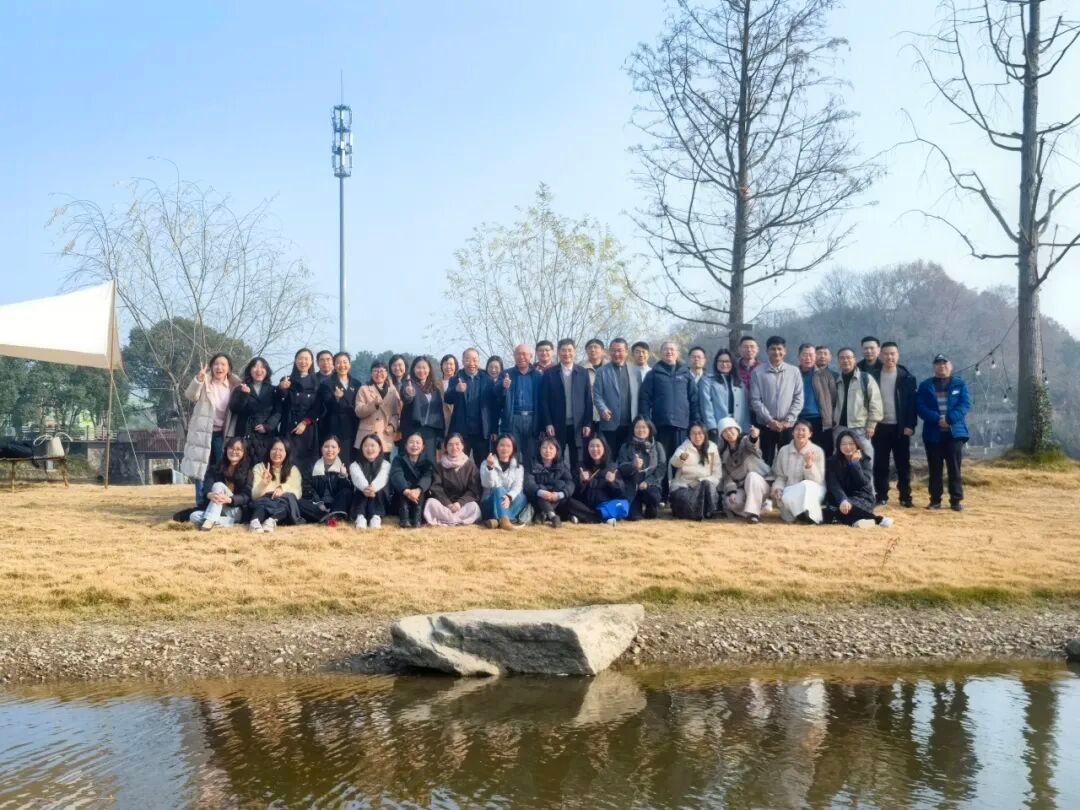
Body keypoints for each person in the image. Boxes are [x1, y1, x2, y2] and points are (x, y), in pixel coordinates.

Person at [639, 341, 698, 499]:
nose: (669, 352)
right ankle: (662, 493)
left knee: (682, 459)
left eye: (672, 349)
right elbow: (644, 399)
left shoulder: (686, 374)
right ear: (660, 353)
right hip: (661, 425)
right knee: (662, 461)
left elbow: (693, 399)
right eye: (665, 349)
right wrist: (645, 421)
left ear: (678, 353)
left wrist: (695, 421)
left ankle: (681, 493)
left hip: (682, 426)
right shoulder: (653, 374)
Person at [181, 353, 240, 506]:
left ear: (229, 368)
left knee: (221, 467)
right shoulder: (205, 381)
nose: (219, 367)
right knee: (201, 468)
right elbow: (190, 395)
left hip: (223, 434)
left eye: (223, 364)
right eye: (216, 364)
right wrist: (198, 379)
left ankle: (218, 502)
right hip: (203, 432)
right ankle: (201, 502)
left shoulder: (234, 386)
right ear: (212, 367)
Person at [916, 354, 971, 511]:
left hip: (954, 434)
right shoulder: (925, 385)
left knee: (955, 468)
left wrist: (949, 419)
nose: (941, 366)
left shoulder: (960, 384)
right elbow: (920, 406)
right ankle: (935, 500)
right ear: (934, 367)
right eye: (938, 364)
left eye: (944, 363)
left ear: (950, 366)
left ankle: (956, 501)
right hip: (933, 433)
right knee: (935, 469)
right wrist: (936, 418)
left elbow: (965, 404)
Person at [870, 342, 918, 507]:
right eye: (886, 354)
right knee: (880, 464)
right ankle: (881, 496)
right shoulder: (873, 377)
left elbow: (912, 404)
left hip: (901, 427)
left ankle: (905, 497)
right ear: (880, 355)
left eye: (893, 353)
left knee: (903, 464)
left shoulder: (907, 378)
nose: (889, 357)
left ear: (898, 355)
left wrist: (911, 425)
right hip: (879, 427)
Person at [539, 339, 593, 476]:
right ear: (558, 352)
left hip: (578, 425)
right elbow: (544, 401)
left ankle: (576, 487)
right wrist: (548, 423)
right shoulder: (550, 373)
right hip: (557, 425)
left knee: (577, 460)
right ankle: (557, 485)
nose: (566, 353)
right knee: (557, 458)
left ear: (574, 352)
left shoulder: (583, 372)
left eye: (569, 350)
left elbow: (588, 400)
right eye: (563, 350)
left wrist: (587, 423)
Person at [749, 336, 804, 465]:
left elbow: (798, 398)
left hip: (787, 426)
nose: (776, 352)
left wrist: (788, 420)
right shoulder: (758, 372)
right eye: (773, 349)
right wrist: (769, 420)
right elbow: (755, 400)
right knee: (764, 460)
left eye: (779, 349)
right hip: (766, 425)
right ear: (767, 351)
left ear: (785, 351)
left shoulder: (794, 371)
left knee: (788, 460)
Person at [825, 430, 893, 528]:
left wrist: (855, 464)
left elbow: (862, 483)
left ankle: (878, 520)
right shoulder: (832, 461)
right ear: (838, 446)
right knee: (831, 510)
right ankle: (864, 521)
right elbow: (834, 484)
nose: (847, 447)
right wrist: (843, 499)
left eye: (851, 444)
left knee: (842, 510)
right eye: (843, 444)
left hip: (862, 497)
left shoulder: (865, 460)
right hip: (841, 497)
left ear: (857, 444)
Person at [445, 347, 498, 465]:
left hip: (482, 432)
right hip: (461, 432)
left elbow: (494, 407)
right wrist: (456, 390)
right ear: (463, 361)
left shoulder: (488, 380)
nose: (471, 363)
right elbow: (447, 398)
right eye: (468, 359)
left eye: (475, 360)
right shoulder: (456, 378)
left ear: (479, 361)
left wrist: (494, 430)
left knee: (483, 465)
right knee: (459, 464)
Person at [593, 338, 643, 458]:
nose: (616, 354)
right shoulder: (602, 371)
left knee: (629, 458)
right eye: (613, 351)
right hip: (610, 423)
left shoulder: (635, 371)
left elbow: (640, 395)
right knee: (610, 457)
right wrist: (602, 409)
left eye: (620, 350)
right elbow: (597, 394)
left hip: (631, 423)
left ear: (626, 352)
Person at [189, 436, 252, 530]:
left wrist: (230, 499)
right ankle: (229, 522)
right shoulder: (216, 468)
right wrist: (209, 494)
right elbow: (207, 486)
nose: (234, 451)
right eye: (231, 448)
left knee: (218, 485)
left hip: (235, 509)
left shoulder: (248, 471)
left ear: (244, 453)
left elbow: (246, 496)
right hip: (217, 508)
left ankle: (210, 521)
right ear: (226, 449)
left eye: (238, 449)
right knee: (193, 516)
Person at [770, 420, 826, 524]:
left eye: (804, 430)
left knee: (806, 485)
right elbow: (780, 476)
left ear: (810, 434)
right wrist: (778, 488)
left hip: (813, 490)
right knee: (786, 500)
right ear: (792, 432)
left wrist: (809, 465)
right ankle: (801, 514)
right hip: (790, 490)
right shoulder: (783, 451)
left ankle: (810, 516)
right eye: (797, 430)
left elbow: (818, 480)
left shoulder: (817, 451)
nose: (800, 433)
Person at [277, 348, 321, 481]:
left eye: (306, 359)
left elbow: (318, 408)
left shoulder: (317, 382)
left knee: (307, 464)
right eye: (300, 358)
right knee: (288, 461)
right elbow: (280, 403)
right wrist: (281, 389)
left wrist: (305, 422)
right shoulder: (287, 380)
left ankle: (306, 490)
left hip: (308, 429)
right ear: (295, 361)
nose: (303, 362)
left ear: (311, 362)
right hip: (288, 426)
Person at [832, 347, 883, 461]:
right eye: (842, 358)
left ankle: (866, 474)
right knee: (840, 459)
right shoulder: (836, 381)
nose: (845, 360)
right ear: (838, 361)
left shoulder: (865, 379)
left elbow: (875, 402)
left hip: (860, 428)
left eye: (848, 357)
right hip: (839, 428)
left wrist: (871, 424)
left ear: (855, 360)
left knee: (866, 457)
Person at [498, 344, 544, 469]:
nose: (521, 357)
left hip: (532, 419)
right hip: (513, 418)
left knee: (531, 456)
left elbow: (543, 401)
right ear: (514, 356)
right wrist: (503, 386)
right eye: (518, 354)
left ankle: (529, 480)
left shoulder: (538, 376)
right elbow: (495, 394)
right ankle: (513, 480)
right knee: (512, 455)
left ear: (531, 356)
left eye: (524, 354)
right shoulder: (506, 374)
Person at [717, 418, 770, 524]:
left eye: (730, 429)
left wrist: (754, 437)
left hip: (760, 484)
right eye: (724, 431)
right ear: (722, 436)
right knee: (731, 502)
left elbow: (752, 445)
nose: (728, 433)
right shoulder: (723, 454)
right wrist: (732, 492)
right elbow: (727, 477)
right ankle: (758, 508)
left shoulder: (745, 441)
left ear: (737, 429)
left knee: (752, 476)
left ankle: (753, 514)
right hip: (741, 487)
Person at [424, 433, 482, 526]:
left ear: (462, 446)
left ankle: (448, 521)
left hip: (462, 506)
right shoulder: (439, 466)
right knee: (430, 503)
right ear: (446, 448)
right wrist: (448, 504)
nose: (454, 447)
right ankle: (457, 521)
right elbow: (436, 488)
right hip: (445, 506)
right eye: (450, 445)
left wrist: (459, 503)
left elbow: (473, 489)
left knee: (474, 507)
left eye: (457, 444)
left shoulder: (470, 466)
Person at [568, 436, 627, 526]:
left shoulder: (612, 466)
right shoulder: (580, 466)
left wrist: (613, 482)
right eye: (591, 446)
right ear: (587, 449)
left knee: (623, 505)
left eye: (598, 446)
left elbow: (620, 493)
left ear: (604, 448)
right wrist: (581, 481)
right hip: (585, 505)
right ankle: (599, 518)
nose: (595, 449)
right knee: (567, 501)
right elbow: (573, 492)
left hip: (604, 505)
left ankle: (585, 517)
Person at [230, 357, 279, 464]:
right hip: (245, 433)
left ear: (267, 371)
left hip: (266, 437)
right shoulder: (240, 388)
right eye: (255, 367)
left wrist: (267, 426)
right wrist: (244, 395)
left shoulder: (273, 390)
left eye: (262, 367)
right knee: (243, 465)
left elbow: (278, 412)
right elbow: (234, 408)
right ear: (249, 370)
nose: (259, 370)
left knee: (263, 467)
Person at [249, 438, 304, 533]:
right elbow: (254, 496)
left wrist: (282, 488)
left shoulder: (293, 470)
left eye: (281, 450)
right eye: (274, 449)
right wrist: (263, 483)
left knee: (287, 501)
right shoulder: (259, 467)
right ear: (269, 451)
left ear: (286, 453)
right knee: (263, 504)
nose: (277, 453)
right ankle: (255, 522)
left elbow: (298, 493)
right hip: (263, 502)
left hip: (283, 504)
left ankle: (271, 521)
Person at [617, 417, 665, 520]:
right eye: (637, 427)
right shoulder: (625, 447)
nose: (641, 430)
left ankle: (651, 507)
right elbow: (621, 468)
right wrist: (633, 466)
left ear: (650, 429)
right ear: (633, 429)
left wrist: (648, 482)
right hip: (632, 487)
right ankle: (636, 506)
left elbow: (661, 469)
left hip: (650, 486)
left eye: (644, 427)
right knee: (634, 517)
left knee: (652, 504)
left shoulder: (657, 446)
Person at [669, 423, 721, 520]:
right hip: (685, 486)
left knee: (707, 485)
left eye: (700, 433)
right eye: (693, 433)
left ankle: (708, 511)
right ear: (689, 435)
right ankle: (698, 511)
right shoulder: (685, 446)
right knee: (684, 499)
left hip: (704, 485)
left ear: (705, 434)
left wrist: (702, 481)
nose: (697, 437)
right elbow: (674, 463)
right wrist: (682, 457)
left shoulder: (712, 448)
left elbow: (717, 474)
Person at [317, 352, 360, 466]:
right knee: (336, 461)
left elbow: (358, 406)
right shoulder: (326, 384)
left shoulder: (356, 384)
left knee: (352, 461)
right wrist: (336, 398)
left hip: (353, 427)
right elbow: (326, 405)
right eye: (338, 362)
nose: (342, 365)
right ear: (334, 365)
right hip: (334, 428)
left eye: (345, 362)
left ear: (349, 364)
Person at [400, 356, 444, 463]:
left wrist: (440, 434)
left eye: (424, 368)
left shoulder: (435, 389)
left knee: (429, 461)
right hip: (412, 429)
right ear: (413, 369)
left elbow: (439, 413)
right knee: (411, 461)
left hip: (430, 432)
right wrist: (409, 394)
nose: (422, 371)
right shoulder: (408, 384)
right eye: (418, 367)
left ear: (429, 370)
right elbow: (406, 398)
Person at [700, 348, 750, 441]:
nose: (724, 364)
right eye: (721, 361)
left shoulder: (739, 382)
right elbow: (706, 406)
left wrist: (746, 428)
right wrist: (712, 427)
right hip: (719, 426)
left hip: (738, 426)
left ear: (732, 363)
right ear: (716, 363)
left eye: (727, 361)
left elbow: (745, 408)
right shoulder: (708, 381)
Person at [525, 436, 575, 528]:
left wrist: (559, 495)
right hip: (537, 499)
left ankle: (543, 514)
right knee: (541, 490)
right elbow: (529, 483)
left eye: (551, 448)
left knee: (561, 485)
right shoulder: (532, 464)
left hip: (557, 499)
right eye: (544, 447)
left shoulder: (561, 465)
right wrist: (542, 492)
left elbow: (570, 483)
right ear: (539, 449)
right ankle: (553, 516)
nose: (547, 451)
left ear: (557, 450)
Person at [300, 435, 352, 525]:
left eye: (333, 447)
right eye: (326, 446)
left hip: (337, 504)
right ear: (321, 449)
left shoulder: (345, 467)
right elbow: (307, 488)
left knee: (347, 492)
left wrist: (343, 476)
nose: (330, 450)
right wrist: (319, 503)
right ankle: (329, 517)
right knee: (299, 502)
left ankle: (333, 514)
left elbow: (346, 491)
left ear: (339, 450)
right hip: (318, 505)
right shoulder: (311, 467)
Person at [354, 361, 403, 457]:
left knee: (384, 463)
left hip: (385, 434)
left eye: (382, 371)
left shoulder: (392, 390)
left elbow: (397, 413)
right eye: (375, 371)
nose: (378, 374)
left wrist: (392, 426)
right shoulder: (364, 389)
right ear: (371, 373)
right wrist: (374, 405)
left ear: (387, 373)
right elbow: (358, 411)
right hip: (368, 434)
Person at [796, 342, 837, 456]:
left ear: (815, 357)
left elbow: (834, 398)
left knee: (825, 453)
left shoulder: (826, 375)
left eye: (811, 355)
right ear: (799, 356)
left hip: (822, 420)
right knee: (802, 452)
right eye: (805, 355)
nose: (808, 358)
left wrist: (831, 419)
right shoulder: (793, 373)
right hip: (800, 419)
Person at [480, 434, 528, 529]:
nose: (505, 448)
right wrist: (490, 467)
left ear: (513, 448)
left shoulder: (519, 467)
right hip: (489, 503)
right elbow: (487, 484)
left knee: (522, 498)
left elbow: (517, 487)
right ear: (496, 447)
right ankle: (507, 521)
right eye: (502, 445)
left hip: (507, 503)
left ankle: (497, 521)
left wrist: (509, 497)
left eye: (508, 446)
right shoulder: (486, 463)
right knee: (499, 489)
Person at [390, 433, 434, 528]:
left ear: (422, 447)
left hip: (419, 496)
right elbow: (396, 475)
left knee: (421, 490)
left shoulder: (427, 462)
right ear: (406, 445)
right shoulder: (398, 459)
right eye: (411, 442)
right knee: (403, 490)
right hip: (402, 496)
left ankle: (417, 518)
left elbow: (427, 477)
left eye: (418, 443)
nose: (414, 445)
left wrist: (418, 490)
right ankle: (404, 518)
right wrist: (406, 491)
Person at [349, 433, 392, 529]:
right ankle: (360, 517)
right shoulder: (355, 465)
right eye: (366, 446)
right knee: (359, 491)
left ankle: (376, 517)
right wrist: (366, 488)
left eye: (372, 445)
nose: (369, 449)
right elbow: (358, 478)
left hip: (379, 497)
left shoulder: (386, 464)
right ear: (361, 448)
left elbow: (382, 478)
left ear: (379, 448)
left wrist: (373, 488)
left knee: (379, 490)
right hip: (362, 495)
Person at [583, 338, 606, 434]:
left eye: (596, 347)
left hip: (607, 414)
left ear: (602, 351)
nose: (593, 350)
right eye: (590, 348)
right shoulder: (580, 368)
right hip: (586, 416)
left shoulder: (610, 368)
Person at [439, 354, 459, 439]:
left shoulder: (460, 383)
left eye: (451, 364)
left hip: (456, 421)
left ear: (455, 366)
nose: (448, 367)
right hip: (440, 422)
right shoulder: (435, 384)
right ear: (442, 366)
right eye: (446, 364)